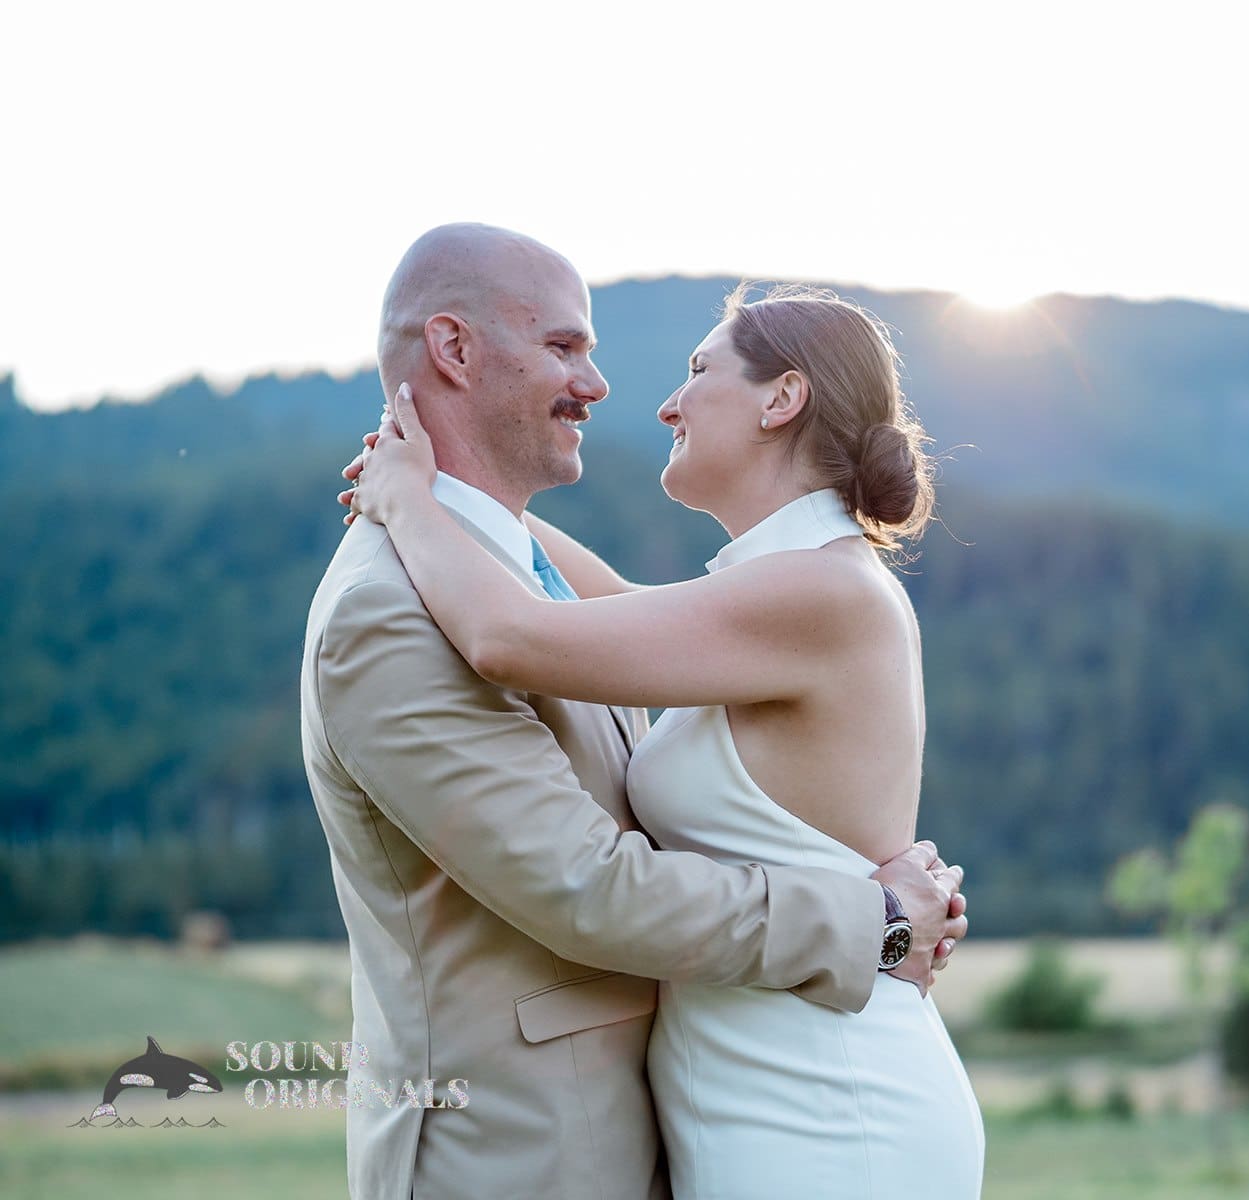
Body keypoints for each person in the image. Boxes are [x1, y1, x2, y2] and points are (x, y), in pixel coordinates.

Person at [302, 224, 968, 1199]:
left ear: (783, 400)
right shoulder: (392, 613)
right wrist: (435, 496)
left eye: (696, 371)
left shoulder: (817, 594)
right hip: (669, 1110)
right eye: (566, 348)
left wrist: (419, 501)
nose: (635, 396)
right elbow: (585, 607)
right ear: (453, 350)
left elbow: (514, 637)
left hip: (823, 1098)